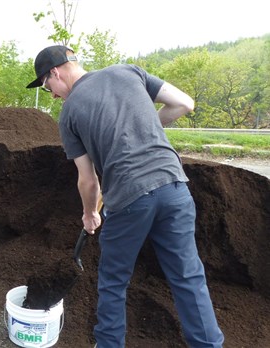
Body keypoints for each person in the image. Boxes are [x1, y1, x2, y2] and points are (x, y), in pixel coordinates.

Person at [27, 45, 224, 348]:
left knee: (113, 281)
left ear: (55, 72)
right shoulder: (127, 71)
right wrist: (142, 128)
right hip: (174, 187)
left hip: (131, 199)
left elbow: (88, 180)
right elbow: (184, 103)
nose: (52, 94)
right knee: (188, 277)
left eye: (46, 84)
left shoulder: (69, 113)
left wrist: (90, 213)